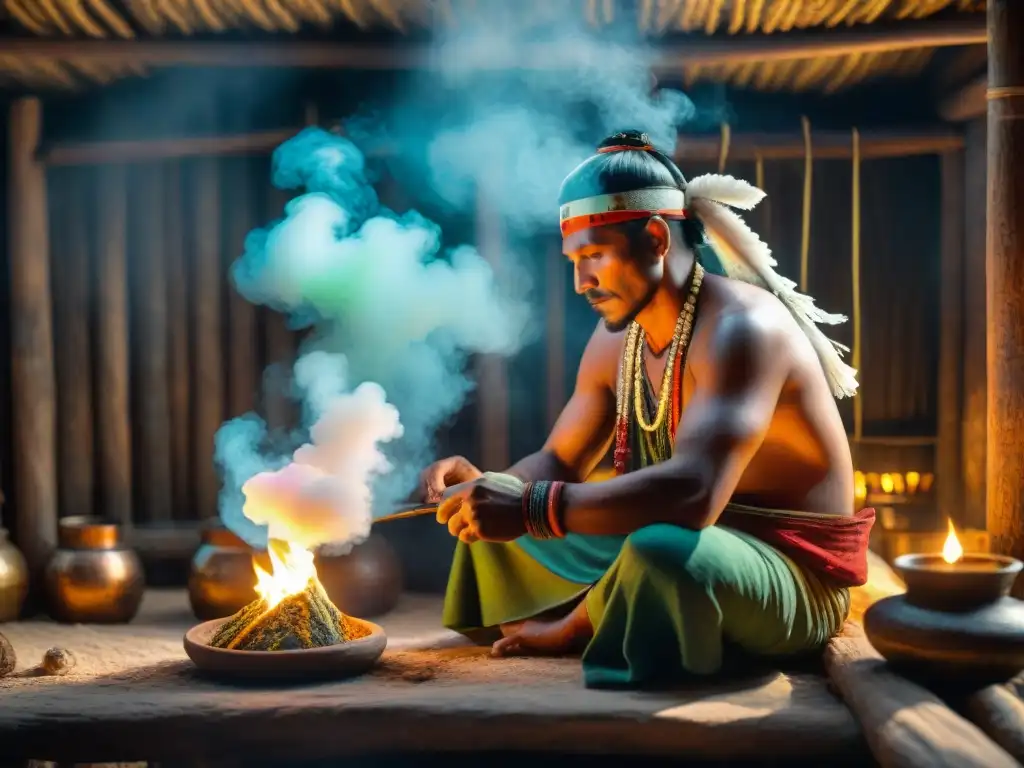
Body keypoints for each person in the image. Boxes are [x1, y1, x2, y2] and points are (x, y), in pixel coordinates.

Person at [418, 130, 875, 689]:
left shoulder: (742, 328)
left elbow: (693, 495)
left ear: (656, 238)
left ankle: (576, 627)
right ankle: (604, 611)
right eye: (574, 261)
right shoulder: (619, 339)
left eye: (594, 257)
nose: (582, 282)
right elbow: (557, 461)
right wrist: (493, 489)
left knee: (658, 551)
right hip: (686, 534)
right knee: (490, 526)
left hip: (787, 572)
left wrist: (532, 508)